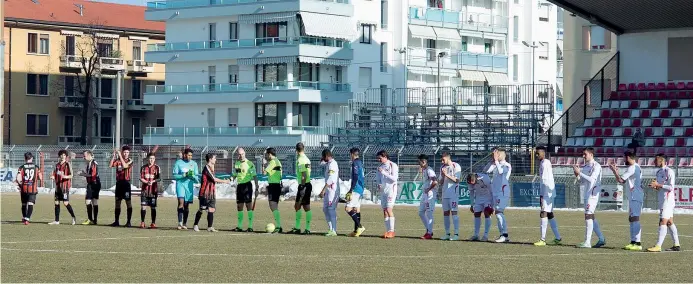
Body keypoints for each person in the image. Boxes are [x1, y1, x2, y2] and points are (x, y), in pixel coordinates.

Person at [646, 154, 681, 252]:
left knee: (663, 221)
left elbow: (671, 187)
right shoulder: (658, 172)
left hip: (668, 200)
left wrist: (658, 184)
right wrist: (655, 186)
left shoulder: (669, 171)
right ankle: (676, 244)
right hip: (662, 199)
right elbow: (660, 187)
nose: (654, 162)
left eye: (656, 160)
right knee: (669, 222)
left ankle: (658, 246)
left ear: (662, 160)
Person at [609, 151, 643, 251]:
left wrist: (615, 171)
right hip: (635, 196)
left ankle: (637, 243)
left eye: (624, 158)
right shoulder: (637, 167)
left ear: (628, 157)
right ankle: (633, 242)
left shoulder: (632, 168)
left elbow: (621, 181)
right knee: (632, 218)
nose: (624, 160)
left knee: (635, 218)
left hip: (635, 196)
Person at [574, 147, 605, 248]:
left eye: (585, 154)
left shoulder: (597, 166)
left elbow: (592, 180)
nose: (583, 156)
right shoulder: (586, 166)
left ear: (591, 154)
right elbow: (582, 182)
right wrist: (577, 175)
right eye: (582, 154)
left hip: (593, 194)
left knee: (588, 216)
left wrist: (580, 173)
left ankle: (587, 242)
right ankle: (601, 238)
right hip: (587, 194)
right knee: (590, 216)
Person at [194, 153, 230, 232]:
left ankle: (210, 227)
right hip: (205, 192)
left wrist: (213, 165)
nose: (215, 160)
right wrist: (225, 181)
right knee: (201, 209)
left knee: (211, 209)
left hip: (211, 192)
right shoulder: (206, 168)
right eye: (214, 158)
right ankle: (195, 224)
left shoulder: (211, 167)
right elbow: (213, 179)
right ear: (210, 159)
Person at [534, 146, 562, 246]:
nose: (536, 155)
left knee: (543, 213)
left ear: (543, 153)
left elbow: (545, 180)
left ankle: (542, 239)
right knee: (550, 214)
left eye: (538, 153)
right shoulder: (543, 162)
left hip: (547, 193)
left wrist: (542, 195)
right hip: (549, 192)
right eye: (536, 153)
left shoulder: (545, 163)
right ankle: (558, 237)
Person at [486, 148, 512, 243]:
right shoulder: (496, 164)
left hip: (503, 191)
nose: (497, 155)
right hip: (495, 192)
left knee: (499, 212)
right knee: (497, 213)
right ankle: (503, 234)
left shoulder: (506, 165)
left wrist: (496, 161)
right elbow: (487, 171)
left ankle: (504, 235)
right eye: (496, 154)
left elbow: (501, 172)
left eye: (499, 154)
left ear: (504, 155)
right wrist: (492, 161)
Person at [231, 148, 259, 232]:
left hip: (247, 186)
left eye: (242, 154)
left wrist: (257, 187)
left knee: (248, 206)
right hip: (239, 186)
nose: (240, 156)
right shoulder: (237, 163)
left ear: (244, 153)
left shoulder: (249, 164)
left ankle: (250, 226)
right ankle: (239, 226)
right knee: (239, 206)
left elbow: (254, 176)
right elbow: (235, 174)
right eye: (239, 154)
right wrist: (230, 179)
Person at [289, 143, 313, 234]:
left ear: (296, 150)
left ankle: (301, 228)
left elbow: (304, 174)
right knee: (303, 206)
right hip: (307, 184)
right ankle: (303, 228)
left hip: (304, 185)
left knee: (299, 206)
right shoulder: (306, 159)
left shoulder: (300, 160)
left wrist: (302, 187)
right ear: (304, 149)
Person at [172, 148, 199, 230]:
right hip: (180, 185)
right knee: (181, 202)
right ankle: (180, 223)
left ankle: (184, 223)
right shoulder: (178, 163)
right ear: (185, 155)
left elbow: (196, 178)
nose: (190, 157)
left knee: (186, 206)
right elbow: (175, 176)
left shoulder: (194, 164)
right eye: (188, 155)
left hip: (189, 186)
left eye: (191, 155)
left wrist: (192, 176)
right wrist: (183, 175)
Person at [49, 150, 77, 225]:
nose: (62, 156)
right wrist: (52, 176)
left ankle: (73, 217)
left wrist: (65, 176)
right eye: (61, 155)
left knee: (65, 203)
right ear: (59, 156)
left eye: (64, 155)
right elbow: (54, 174)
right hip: (58, 187)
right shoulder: (57, 165)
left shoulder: (68, 164)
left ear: (66, 156)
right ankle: (57, 220)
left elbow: (71, 175)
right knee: (56, 202)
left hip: (64, 187)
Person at [376, 150, 399, 239]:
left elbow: (394, 178)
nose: (378, 160)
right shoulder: (380, 167)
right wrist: (379, 184)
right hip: (383, 191)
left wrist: (384, 172)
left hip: (391, 190)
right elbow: (378, 178)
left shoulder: (393, 165)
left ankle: (392, 231)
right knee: (385, 211)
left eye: (380, 158)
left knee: (389, 209)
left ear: (385, 157)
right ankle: (388, 231)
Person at [439, 152, 461, 241]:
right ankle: (447, 233)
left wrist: (447, 175)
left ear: (448, 158)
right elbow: (440, 182)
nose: (442, 161)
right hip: (445, 194)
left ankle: (456, 234)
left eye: (443, 159)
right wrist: (443, 176)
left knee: (454, 213)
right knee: (445, 213)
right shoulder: (442, 167)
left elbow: (457, 180)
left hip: (453, 194)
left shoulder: (456, 166)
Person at [110, 146, 134, 227]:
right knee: (117, 203)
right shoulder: (118, 161)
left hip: (126, 184)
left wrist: (120, 155)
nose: (126, 154)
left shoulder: (130, 160)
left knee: (128, 203)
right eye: (124, 152)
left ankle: (128, 222)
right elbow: (110, 165)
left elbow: (125, 166)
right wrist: (114, 155)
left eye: (127, 152)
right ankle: (116, 221)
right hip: (119, 184)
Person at [16, 152, 42, 225]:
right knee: (30, 203)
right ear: (32, 158)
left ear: (25, 158)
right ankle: (27, 219)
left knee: (24, 204)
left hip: (24, 188)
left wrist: (21, 185)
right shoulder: (36, 167)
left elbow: (18, 178)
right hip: (32, 189)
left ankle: (24, 217)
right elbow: (40, 177)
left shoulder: (21, 167)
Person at [318, 149, 339, 237]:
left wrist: (323, 190)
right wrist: (321, 159)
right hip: (328, 190)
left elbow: (331, 179)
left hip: (332, 190)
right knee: (325, 209)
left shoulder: (333, 164)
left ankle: (334, 230)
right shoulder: (328, 163)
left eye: (323, 157)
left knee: (331, 209)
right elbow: (320, 164)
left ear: (326, 156)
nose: (322, 158)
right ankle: (330, 229)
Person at [345, 148, 366, 237]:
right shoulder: (360, 162)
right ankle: (356, 231)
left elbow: (356, 176)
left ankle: (360, 227)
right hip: (361, 188)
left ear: (352, 154)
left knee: (348, 208)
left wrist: (351, 190)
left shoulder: (355, 163)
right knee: (356, 209)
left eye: (350, 154)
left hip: (356, 188)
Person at [78, 150, 101, 225]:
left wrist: (82, 174)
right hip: (93, 184)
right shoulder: (90, 163)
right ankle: (94, 220)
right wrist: (84, 173)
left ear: (89, 155)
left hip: (94, 184)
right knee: (94, 201)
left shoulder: (93, 163)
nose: (83, 157)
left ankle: (91, 219)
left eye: (84, 156)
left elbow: (92, 175)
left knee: (89, 201)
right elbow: (90, 174)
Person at [467, 173, 492, 241]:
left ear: (476, 178)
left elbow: (492, 190)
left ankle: (485, 235)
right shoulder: (469, 181)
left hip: (488, 198)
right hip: (478, 198)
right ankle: (476, 235)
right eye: (470, 183)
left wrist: (493, 204)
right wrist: (472, 204)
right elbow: (471, 192)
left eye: (473, 183)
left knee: (487, 213)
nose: (472, 184)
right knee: (476, 214)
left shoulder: (485, 178)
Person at [417, 154, 437, 239]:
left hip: (430, 194)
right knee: (421, 212)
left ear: (424, 162)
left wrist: (429, 189)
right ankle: (429, 231)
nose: (419, 164)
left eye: (419, 162)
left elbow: (435, 182)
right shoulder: (424, 170)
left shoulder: (429, 170)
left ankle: (429, 233)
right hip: (425, 194)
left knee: (429, 213)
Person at [139, 153, 161, 229]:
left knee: (153, 207)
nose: (151, 160)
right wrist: (146, 182)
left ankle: (153, 223)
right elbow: (141, 178)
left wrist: (153, 181)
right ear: (147, 158)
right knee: (143, 207)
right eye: (150, 158)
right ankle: (142, 222)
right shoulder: (143, 167)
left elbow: (159, 178)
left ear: (154, 159)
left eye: (153, 158)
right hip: (144, 191)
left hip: (153, 191)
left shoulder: (157, 168)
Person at [264, 147, 283, 233]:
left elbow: (264, 172)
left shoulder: (272, 162)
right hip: (277, 185)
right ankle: (279, 226)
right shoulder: (278, 161)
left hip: (274, 186)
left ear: (269, 154)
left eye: (266, 155)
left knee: (273, 206)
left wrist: (264, 164)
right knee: (274, 206)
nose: (266, 156)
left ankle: (279, 226)